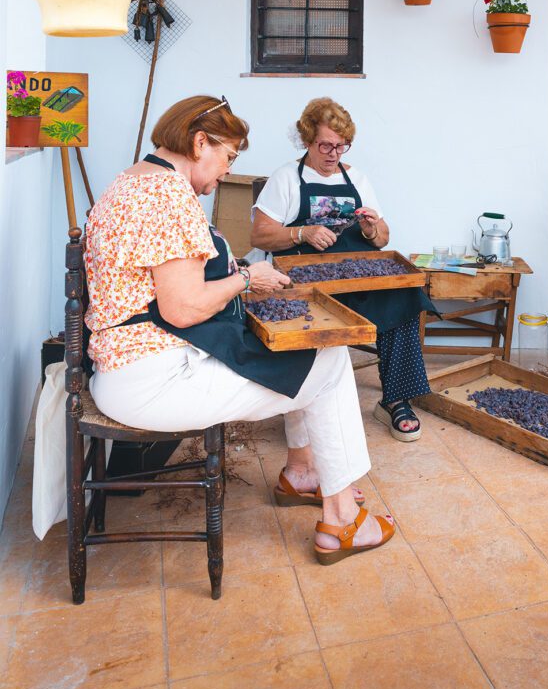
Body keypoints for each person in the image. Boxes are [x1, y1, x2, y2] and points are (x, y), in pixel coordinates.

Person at [84, 95, 394, 564]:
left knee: (306, 361)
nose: (227, 171)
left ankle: (308, 476)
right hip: (153, 380)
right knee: (329, 360)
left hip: (122, 365)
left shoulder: (132, 180)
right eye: (227, 157)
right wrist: (247, 278)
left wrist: (236, 276)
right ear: (199, 141)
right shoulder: (169, 195)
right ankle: (342, 519)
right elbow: (185, 308)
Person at [251, 97, 433, 442]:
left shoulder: (357, 177)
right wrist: (301, 232)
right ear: (307, 141)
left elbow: (382, 237)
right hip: (306, 273)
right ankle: (305, 404)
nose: (334, 154)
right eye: (325, 145)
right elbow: (259, 234)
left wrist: (370, 230)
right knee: (306, 311)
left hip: (355, 270)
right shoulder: (287, 178)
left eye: (341, 146)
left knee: (404, 295)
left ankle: (396, 399)